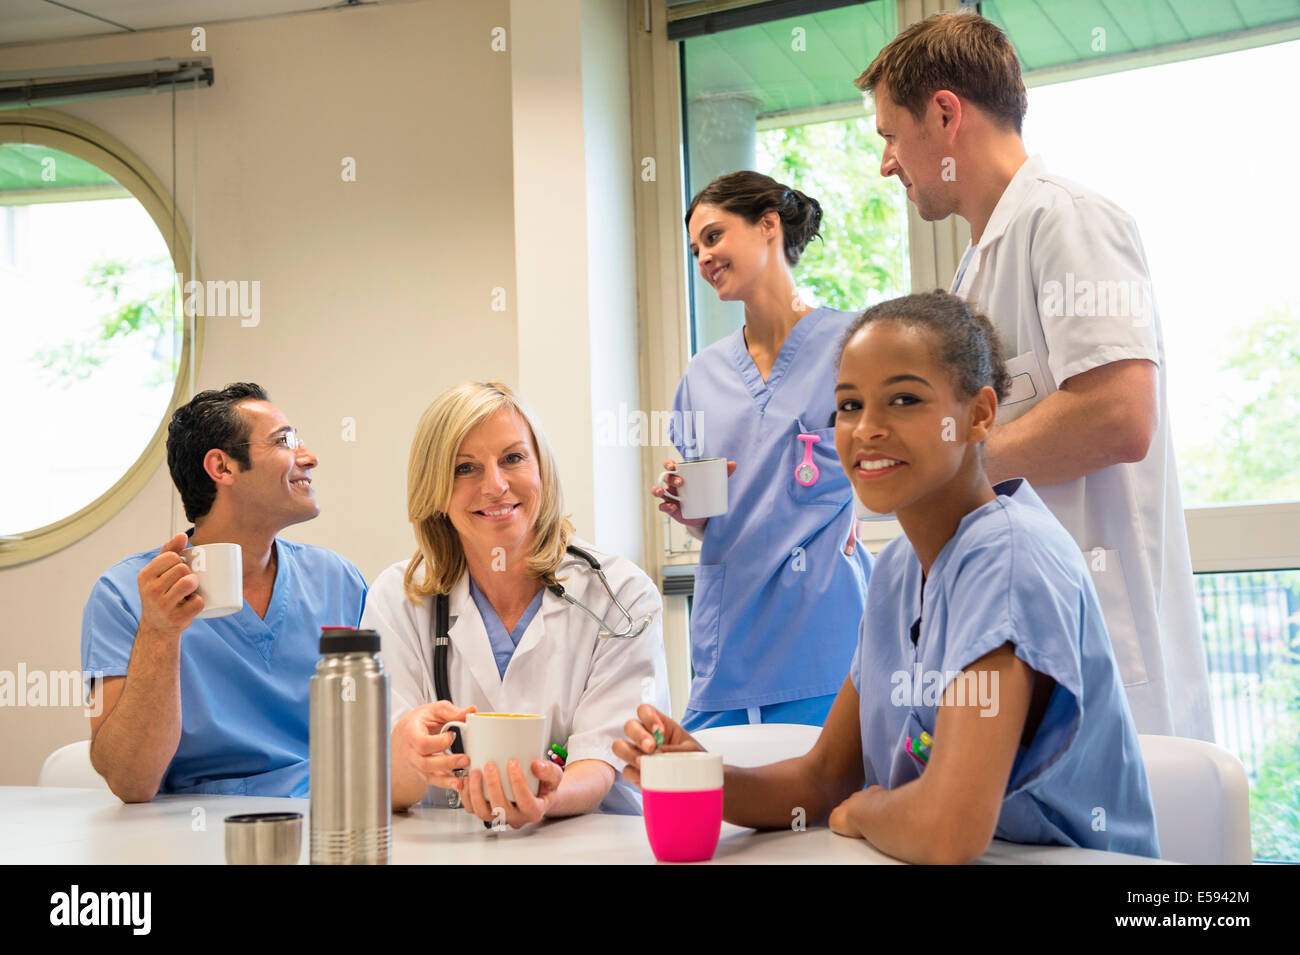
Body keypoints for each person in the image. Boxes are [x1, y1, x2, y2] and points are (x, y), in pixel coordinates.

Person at [617, 292, 1160, 863]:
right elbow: (822, 780)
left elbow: (945, 831)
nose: (867, 429)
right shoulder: (899, 569)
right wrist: (699, 774)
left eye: (904, 400)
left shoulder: (1008, 560)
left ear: (979, 415)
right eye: (848, 406)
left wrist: (863, 811)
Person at [854, 11, 1211, 740]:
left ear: (946, 113)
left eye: (891, 135)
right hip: (1022, 644)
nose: (886, 162)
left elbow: (1119, 414)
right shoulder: (974, 269)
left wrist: (945, 465)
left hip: (1107, 649)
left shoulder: (1068, 221)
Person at [363, 381, 669, 825]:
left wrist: (546, 797)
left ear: (541, 467)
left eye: (513, 458)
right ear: (434, 488)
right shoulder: (398, 599)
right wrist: (409, 757)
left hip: (588, 844)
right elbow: (388, 785)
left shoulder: (620, 594)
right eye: (465, 468)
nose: (496, 485)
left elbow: (603, 761)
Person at [652, 171, 872, 732]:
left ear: (768, 225)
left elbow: (899, 466)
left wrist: (859, 503)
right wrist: (690, 509)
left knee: (828, 814)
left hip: (826, 643)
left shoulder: (856, 349)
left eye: (714, 236)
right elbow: (722, 518)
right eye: (696, 248)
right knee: (707, 804)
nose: (703, 256)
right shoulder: (703, 377)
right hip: (730, 649)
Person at [81, 383, 367, 801]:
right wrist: (159, 633)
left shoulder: (337, 579)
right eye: (285, 441)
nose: (309, 457)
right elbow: (130, 781)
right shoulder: (124, 595)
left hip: (332, 818)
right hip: (188, 833)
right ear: (223, 467)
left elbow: (379, 733)